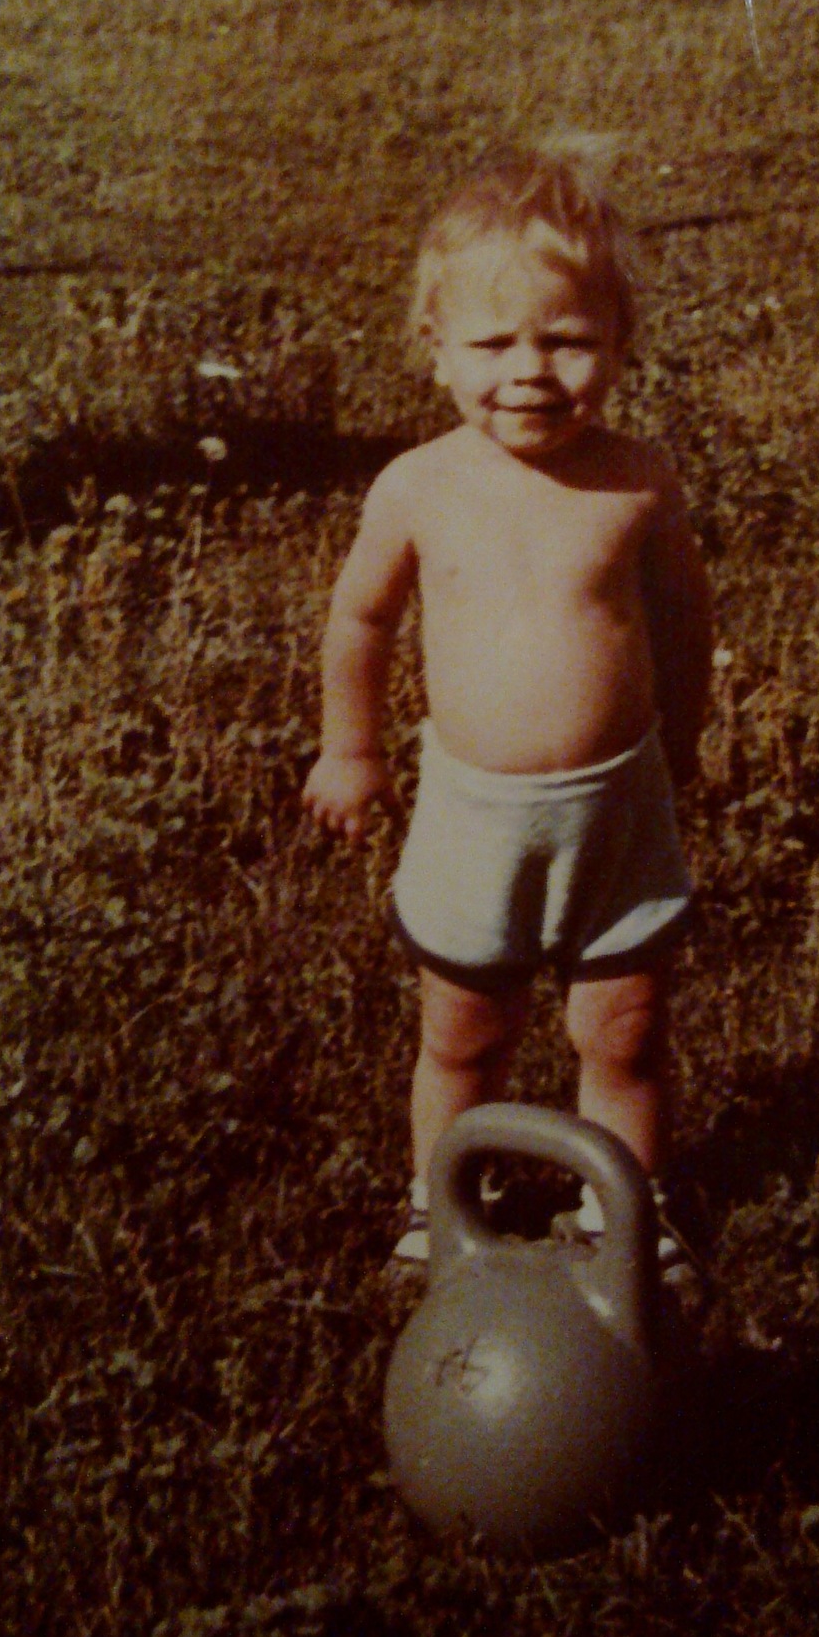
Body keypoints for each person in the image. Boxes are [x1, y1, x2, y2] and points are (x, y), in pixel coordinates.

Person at [301, 148, 713, 1273]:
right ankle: (444, 1204)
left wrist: (684, 736)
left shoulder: (637, 481)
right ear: (434, 346)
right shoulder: (418, 487)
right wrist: (352, 746)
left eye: (567, 339)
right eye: (492, 344)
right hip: (474, 814)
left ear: (620, 340)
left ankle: (624, 1211)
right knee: (463, 1031)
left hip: (619, 807)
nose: (530, 370)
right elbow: (360, 621)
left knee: (625, 1029)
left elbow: (685, 617)